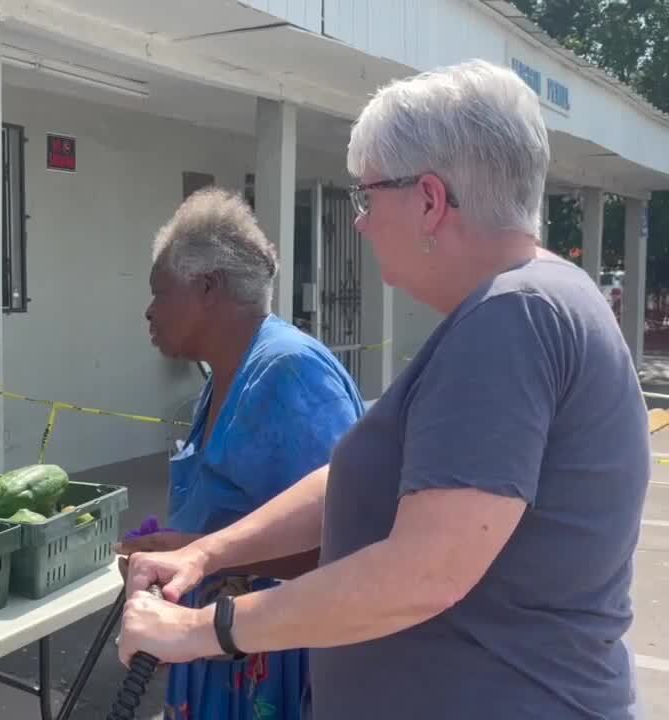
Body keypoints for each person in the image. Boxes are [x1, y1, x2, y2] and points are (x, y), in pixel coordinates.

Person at [118, 59, 649, 719]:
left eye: (368, 197)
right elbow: (353, 476)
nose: (361, 223)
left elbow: (424, 573)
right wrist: (207, 552)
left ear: (429, 200)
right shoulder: (518, 306)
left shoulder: (513, 317)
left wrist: (205, 630)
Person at [116, 187, 364, 720]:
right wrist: (178, 560)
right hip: (220, 653)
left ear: (208, 288)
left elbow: (347, 542)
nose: (149, 311)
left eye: (161, 292)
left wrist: (196, 552)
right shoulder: (226, 374)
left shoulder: (291, 372)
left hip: (275, 666)